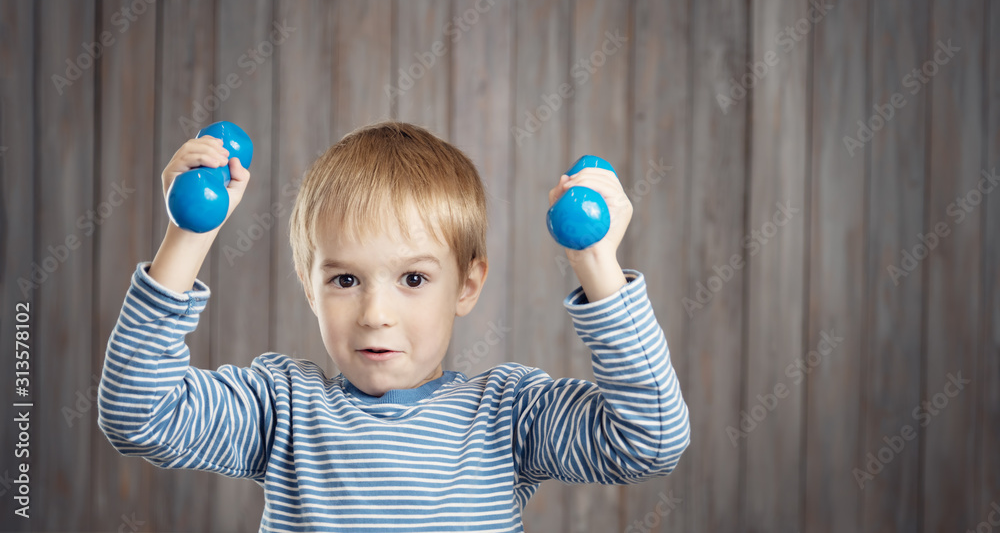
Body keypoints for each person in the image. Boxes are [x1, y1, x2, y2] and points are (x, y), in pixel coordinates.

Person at [97, 121, 690, 531]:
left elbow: (650, 441)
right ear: (311, 287)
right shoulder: (281, 410)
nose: (376, 314)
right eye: (346, 280)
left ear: (467, 285)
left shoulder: (507, 418)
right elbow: (137, 413)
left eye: (412, 279)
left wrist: (598, 264)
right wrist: (188, 236)